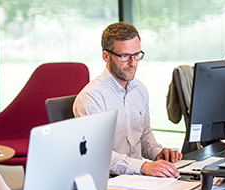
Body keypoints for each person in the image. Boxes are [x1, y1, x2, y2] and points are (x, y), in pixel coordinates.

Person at [73, 22, 182, 178]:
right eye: (125, 56)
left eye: (136, 55)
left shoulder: (140, 90)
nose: (133, 63)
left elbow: (144, 135)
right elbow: (97, 153)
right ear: (106, 56)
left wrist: (159, 154)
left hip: (138, 178)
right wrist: (143, 166)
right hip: (109, 182)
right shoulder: (91, 97)